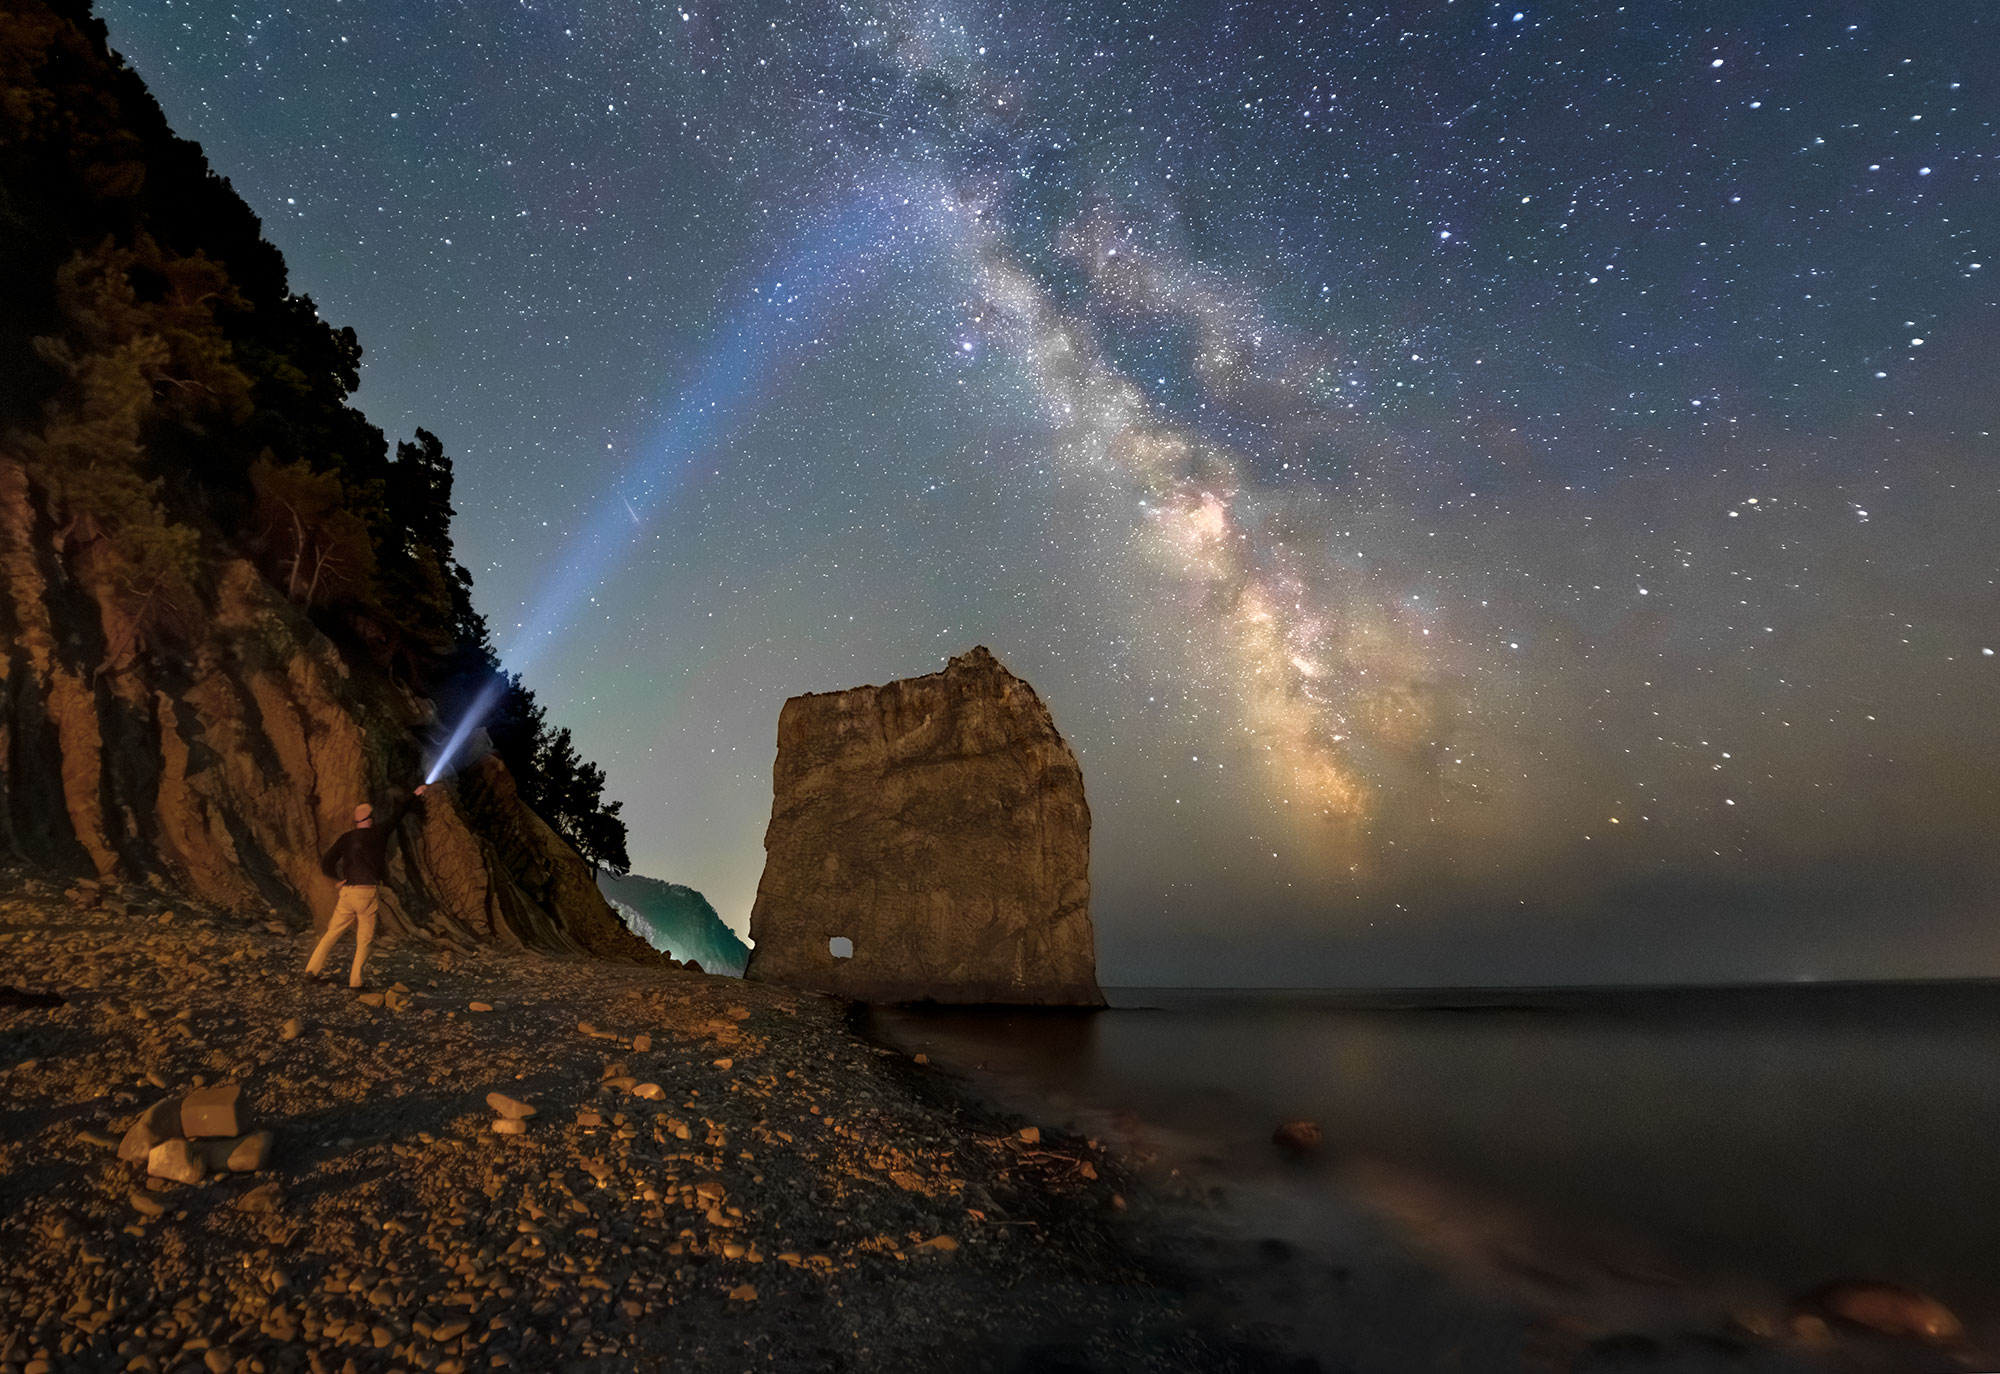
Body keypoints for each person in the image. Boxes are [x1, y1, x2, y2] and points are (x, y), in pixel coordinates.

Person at [306, 784, 427, 990]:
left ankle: (311, 972)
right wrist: (415, 794)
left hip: (347, 893)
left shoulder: (346, 838)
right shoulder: (378, 833)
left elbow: (327, 861)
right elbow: (398, 814)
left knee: (331, 934)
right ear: (370, 818)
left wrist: (338, 879)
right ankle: (356, 983)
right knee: (364, 940)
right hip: (366, 893)